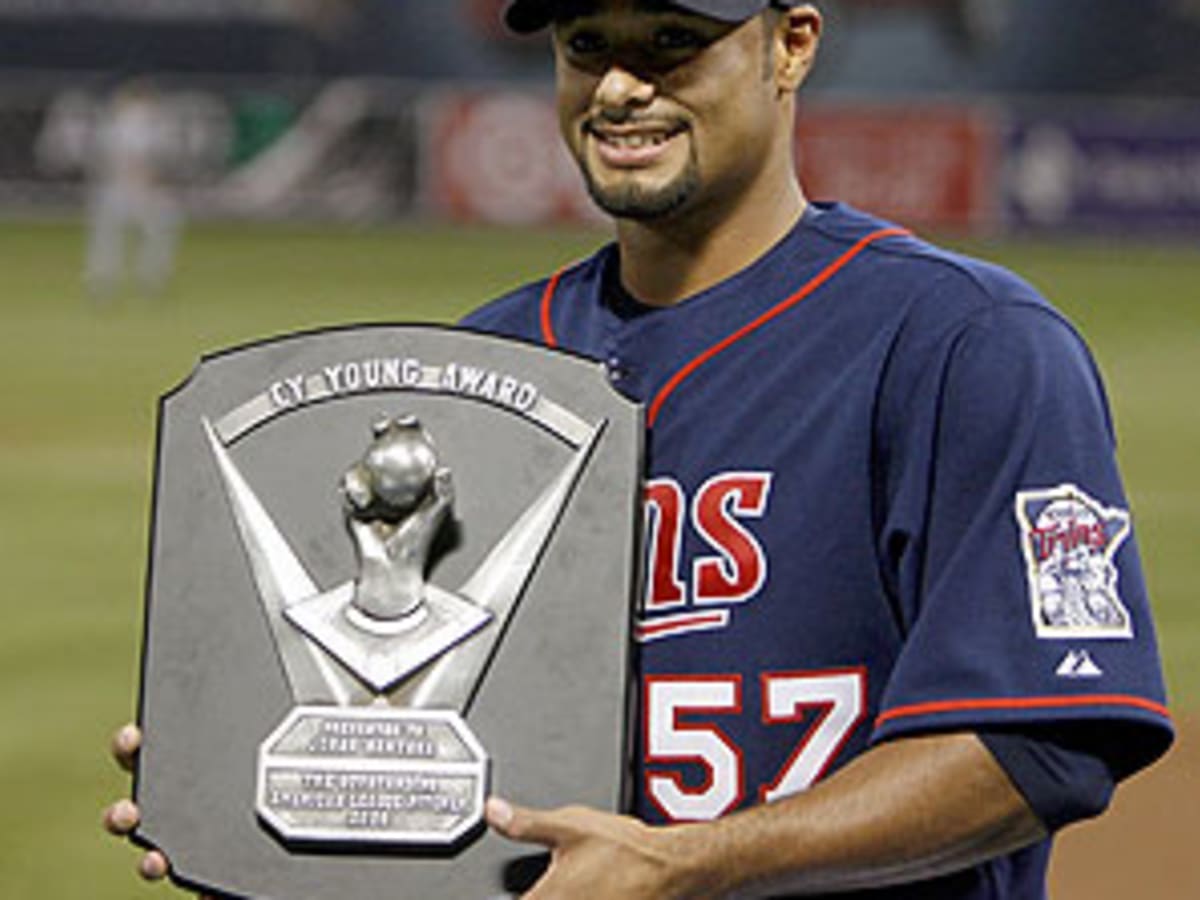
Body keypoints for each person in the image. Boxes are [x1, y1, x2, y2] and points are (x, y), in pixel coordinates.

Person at [105, 1, 1173, 897]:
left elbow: (1042, 742)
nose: (619, 87)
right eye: (586, 46)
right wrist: (255, 806)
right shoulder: (489, 367)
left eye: (670, 41)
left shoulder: (962, 345)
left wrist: (686, 864)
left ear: (791, 44)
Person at [84, 78, 182, 299]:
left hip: (129, 188)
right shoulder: (130, 122)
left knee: (114, 237)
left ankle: (119, 283)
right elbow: (121, 157)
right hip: (127, 188)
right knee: (112, 238)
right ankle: (129, 283)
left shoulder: (133, 121)